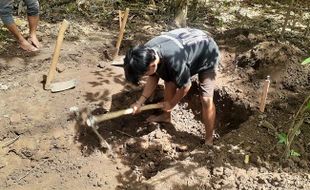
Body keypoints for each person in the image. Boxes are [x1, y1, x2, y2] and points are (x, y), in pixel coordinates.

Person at [123, 28, 220, 145]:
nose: (144, 76)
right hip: (186, 50)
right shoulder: (146, 52)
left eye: (144, 73)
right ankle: (166, 117)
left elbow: (186, 86)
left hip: (207, 53)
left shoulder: (174, 62)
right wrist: (140, 102)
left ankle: (209, 140)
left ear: (152, 65)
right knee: (169, 81)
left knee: (206, 99)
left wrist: (172, 104)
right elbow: (153, 77)